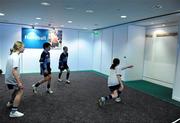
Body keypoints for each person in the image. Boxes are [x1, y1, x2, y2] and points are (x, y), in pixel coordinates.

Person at [5, 41, 25, 117]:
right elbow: (14, 71)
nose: (24, 48)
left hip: (8, 78)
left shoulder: (12, 55)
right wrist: (19, 82)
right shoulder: (16, 56)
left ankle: (10, 102)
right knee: (20, 90)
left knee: (17, 90)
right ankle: (13, 112)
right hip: (12, 79)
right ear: (19, 48)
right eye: (23, 47)